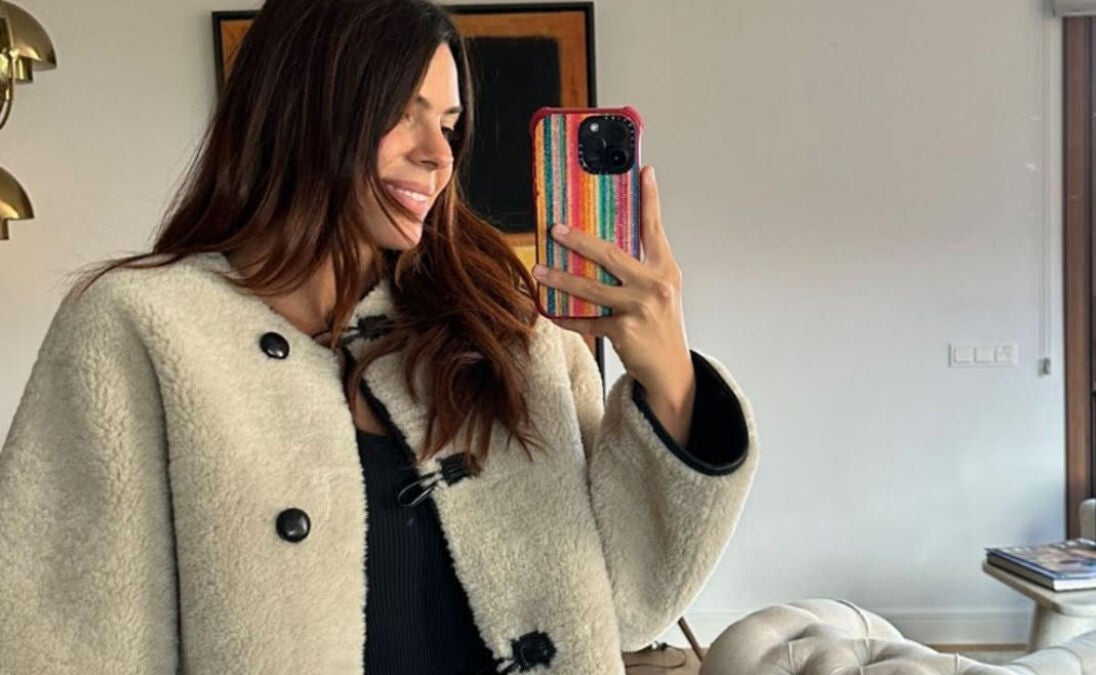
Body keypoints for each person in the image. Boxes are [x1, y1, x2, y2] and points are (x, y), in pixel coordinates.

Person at [0, 0, 758, 672]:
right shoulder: (140, 327)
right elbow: (65, 643)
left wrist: (668, 376)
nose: (439, 153)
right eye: (402, 112)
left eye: (449, 124)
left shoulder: (511, 334)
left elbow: (630, 608)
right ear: (299, 107)